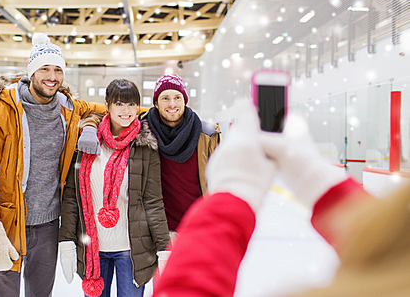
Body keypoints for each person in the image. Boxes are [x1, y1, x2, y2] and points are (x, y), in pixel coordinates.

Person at [151, 99, 398, 297]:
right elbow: (397, 249)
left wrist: (231, 196)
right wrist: (324, 185)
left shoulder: (206, 133)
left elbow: (187, 289)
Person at [0, 33, 107, 297]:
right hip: (7, 222)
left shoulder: (70, 109)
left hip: (49, 225)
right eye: (45, 68)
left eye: (58, 70)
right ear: (31, 72)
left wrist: (89, 124)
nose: (52, 76)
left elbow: (119, 110)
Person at [58, 79, 170, 297]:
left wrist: (164, 248)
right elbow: (73, 197)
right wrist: (66, 241)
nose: (126, 110)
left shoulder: (145, 145)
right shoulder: (87, 142)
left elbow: (153, 201)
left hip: (132, 250)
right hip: (93, 249)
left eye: (131, 104)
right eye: (119, 104)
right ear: (107, 105)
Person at [79, 74, 221, 233]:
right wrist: (90, 127)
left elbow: (221, 185)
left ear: (185, 101)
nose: (172, 103)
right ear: (156, 103)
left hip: (199, 226)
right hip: (157, 231)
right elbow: (108, 115)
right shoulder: (143, 129)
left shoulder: (207, 135)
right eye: (165, 98)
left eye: (177, 97)